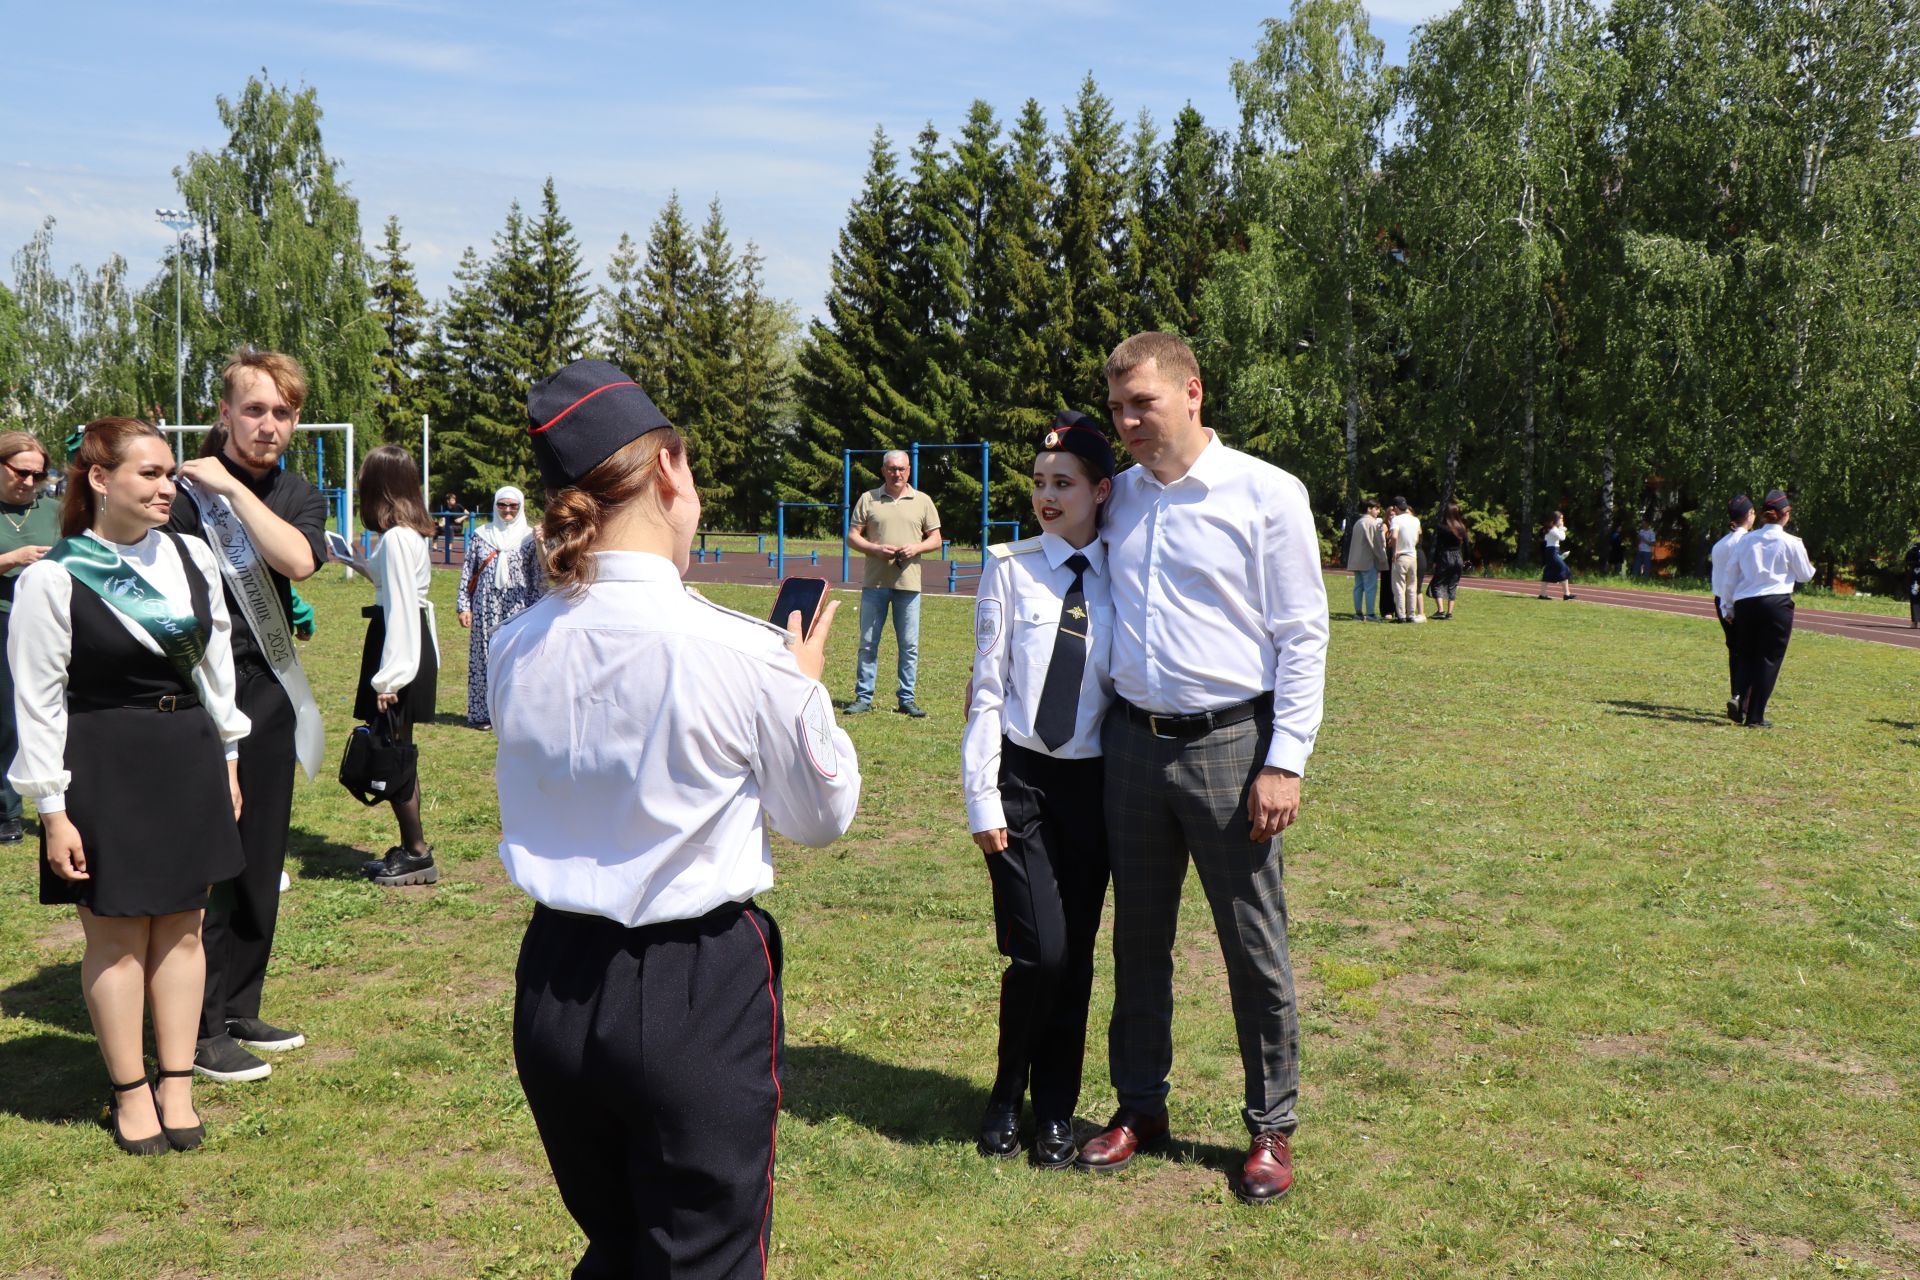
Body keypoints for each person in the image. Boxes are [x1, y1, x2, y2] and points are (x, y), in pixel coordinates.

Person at [494, 359, 860, 1278]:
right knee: (704, 1260)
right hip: (693, 986)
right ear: (668, 474)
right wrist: (802, 690)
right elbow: (821, 816)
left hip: (552, 985)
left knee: (616, 1246)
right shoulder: (739, 653)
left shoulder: (515, 642)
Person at [1077, 333, 1327, 1206]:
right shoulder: (1122, 501)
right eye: (1116, 409)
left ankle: (1271, 1128)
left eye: (1140, 404)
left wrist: (1284, 761)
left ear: (1192, 392)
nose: (1127, 422)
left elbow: (1303, 636)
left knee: (1252, 945)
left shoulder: (1267, 493)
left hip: (1233, 748)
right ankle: (1140, 1107)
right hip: (1132, 747)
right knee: (1138, 941)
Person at [8, 417, 248, 1154]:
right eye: (149, 473)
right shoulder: (54, 576)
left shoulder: (192, 558)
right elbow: (39, 699)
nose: (166, 486)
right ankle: (130, 1091)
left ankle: (176, 1082)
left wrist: (230, 760)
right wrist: (53, 809)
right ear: (100, 479)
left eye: (170, 473)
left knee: (181, 929)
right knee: (115, 937)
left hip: (188, 755)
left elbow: (216, 668)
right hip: (104, 764)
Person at [167, 350, 328, 1084]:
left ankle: (240, 1005)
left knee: (261, 855)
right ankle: (197, 1029)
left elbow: (297, 560)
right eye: (255, 409)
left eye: (283, 413)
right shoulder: (175, 490)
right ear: (224, 413)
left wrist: (234, 488)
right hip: (194, 685)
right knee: (208, 859)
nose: (269, 425)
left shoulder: (296, 493)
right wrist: (214, 484)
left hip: (266, 686)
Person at [962, 411, 1116, 1170]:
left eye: (1064, 484)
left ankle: (1054, 1112)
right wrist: (980, 797)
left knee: (1077, 957)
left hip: (1094, 789)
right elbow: (985, 690)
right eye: (1039, 484)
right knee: (1041, 953)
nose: (1047, 497)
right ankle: (1004, 1093)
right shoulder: (1009, 568)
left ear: (1101, 489)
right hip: (1021, 781)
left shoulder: (1127, 573)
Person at [352, 446, 440, 887]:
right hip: (399, 643)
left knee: (394, 750)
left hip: (399, 648)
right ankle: (412, 848)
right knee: (395, 746)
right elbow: (397, 591)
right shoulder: (405, 536)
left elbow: (404, 607)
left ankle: (417, 852)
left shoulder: (399, 538)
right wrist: (357, 564)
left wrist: (391, 678)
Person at [843, 450, 942, 717]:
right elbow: (852, 537)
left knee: (909, 645)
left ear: (909, 470)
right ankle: (863, 697)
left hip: (909, 585)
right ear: (883, 470)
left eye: (901, 469)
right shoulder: (869, 499)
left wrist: (916, 548)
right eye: (891, 468)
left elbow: (936, 539)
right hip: (874, 584)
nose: (896, 473)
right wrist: (874, 549)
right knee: (867, 643)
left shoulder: (922, 501)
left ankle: (906, 699)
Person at [0, 429, 61, 845]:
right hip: (3, 621)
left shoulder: (56, 510)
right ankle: (6, 810)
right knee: (7, 718)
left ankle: (58, 800)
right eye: (21, 472)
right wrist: (13, 559)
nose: (29, 482)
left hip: (51, 623)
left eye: (38, 476)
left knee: (54, 713)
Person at [1722, 489, 1814, 729]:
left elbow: (1730, 575)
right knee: (1769, 659)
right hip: (1776, 604)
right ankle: (1755, 716)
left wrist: (1727, 606)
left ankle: (1739, 696)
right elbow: (1806, 575)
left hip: (1745, 603)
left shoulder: (1746, 540)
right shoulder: (1792, 542)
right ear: (1785, 514)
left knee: (1745, 654)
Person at [455, 485, 543, 730]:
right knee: (484, 657)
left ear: (520, 507)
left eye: (513, 506)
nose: (507, 510)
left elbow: (536, 576)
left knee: (516, 659)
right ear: (495, 506)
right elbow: (467, 573)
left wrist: (539, 609)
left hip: (518, 608)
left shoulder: (528, 538)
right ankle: (482, 714)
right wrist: (464, 606)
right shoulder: (481, 535)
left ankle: (512, 713)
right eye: (502, 505)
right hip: (485, 606)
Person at [1709, 496, 1757, 720]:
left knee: (1735, 651)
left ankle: (1737, 694)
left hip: (1721, 601)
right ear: (1749, 515)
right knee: (1750, 652)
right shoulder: (1748, 541)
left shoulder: (1720, 544)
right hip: (1742, 601)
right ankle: (1743, 701)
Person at [1344, 498, 1387, 621]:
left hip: (1356, 560)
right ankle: (1370, 614)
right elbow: (1376, 543)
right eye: (1376, 508)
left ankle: (1358, 613)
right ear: (1369, 509)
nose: (1378, 511)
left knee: (1358, 587)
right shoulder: (1371, 523)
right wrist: (1382, 557)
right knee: (1370, 587)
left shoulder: (1358, 522)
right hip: (1368, 561)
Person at [1427, 502, 1469, 620]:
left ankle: (1440, 610)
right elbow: (1466, 546)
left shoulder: (1441, 527)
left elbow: (1438, 545)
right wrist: (1467, 560)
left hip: (1445, 556)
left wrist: (1435, 560)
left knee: (1436, 583)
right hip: (1458, 556)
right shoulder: (1461, 527)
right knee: (1453, 584)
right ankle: (1450, 613)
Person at [1387, 497, 1423, 623]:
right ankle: (1411, 614)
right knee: (1412, 587)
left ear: (1396, 508)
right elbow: (1417, 538)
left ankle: (1401, 615)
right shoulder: (1415, 520)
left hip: (1400, 556)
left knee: (1399, 587)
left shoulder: (1396, 520)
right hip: (1413, 556)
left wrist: (1395, 551)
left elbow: (1395, 536)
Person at [1539, 511, 1575, 600]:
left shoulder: (1551, 528)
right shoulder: (1553, 529)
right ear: (1555, 519)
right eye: (1561, 518)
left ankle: (1543, 595)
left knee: (1548, 572)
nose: (1562, 520)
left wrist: (1561, 528)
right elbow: (1562, 538)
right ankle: (1566, 594)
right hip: (1552, 551)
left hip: (1552, 551)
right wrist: (1562, 528)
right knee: (1564, 569)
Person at [439, 493, 468, 558]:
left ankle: (449, 547)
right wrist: (441, 523)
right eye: (452, 500)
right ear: (448, 501)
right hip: (448, 527)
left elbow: (468, 514)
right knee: (437, 527)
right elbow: (443, 518)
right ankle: (434, 547)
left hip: (458, 527)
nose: (454, 501)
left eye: (454, 500)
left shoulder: (458, 506)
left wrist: (461, 519)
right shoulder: (445, 507)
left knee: (450, 527)